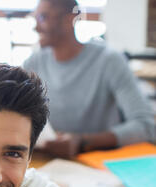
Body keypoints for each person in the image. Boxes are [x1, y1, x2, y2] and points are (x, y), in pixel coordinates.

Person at [23, 0, 155, 159]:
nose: (35, 27)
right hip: (48, 162)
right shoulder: (33, 63)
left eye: (43, 18)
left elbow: (146, 127)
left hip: (98, 166)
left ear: (70, 19)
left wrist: (82, 142)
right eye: (35, 18)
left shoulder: (109, 61)